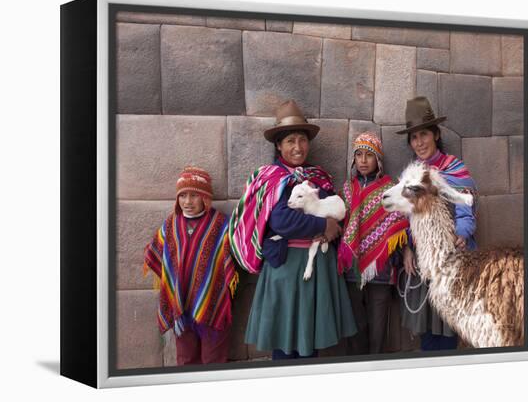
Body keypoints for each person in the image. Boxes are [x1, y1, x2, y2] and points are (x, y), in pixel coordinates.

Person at [229, 99, 357, 360]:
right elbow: (280, 221)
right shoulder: (271, 178)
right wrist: (323, 224)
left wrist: (334, 225)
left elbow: (336, 208)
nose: (297, 147)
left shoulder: (318, 177)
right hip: (286, 268)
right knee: (285, 342)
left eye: (302, 140)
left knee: (311, 340)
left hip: (317, 267)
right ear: (279, 145)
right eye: (290, 141)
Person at [396, 96, 477, 351]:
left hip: (451, 260)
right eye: (414, 138)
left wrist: (461, 233)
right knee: (428, 330)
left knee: (447, 330)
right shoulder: (412, 175)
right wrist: (408, 247)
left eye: (423, 135)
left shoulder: (454, 168)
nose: (419, 142)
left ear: (436, 134)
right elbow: (407, 218)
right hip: (424, 262)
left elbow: (466, 209)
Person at [143, 166, 239, 365]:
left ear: (205, 197)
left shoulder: (222, 225)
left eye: (194, 195)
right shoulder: (171, 225)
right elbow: (157, 255)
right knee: (185, 361)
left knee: (213, 360)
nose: (187, 202)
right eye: (182, 195)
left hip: (213, 305)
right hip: (181, 308)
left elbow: (233, 261)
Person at [337, 132, 410, 354]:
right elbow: (341, 222)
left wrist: (404, 252)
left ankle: (375, 367)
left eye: (369, 155)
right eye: (358, 155)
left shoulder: (391, 189)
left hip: (381, 269)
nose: (363, 160)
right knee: (355, 327)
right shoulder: (347, 189)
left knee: (378, 328)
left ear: (378, 159)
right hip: (351, 270)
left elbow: (400, 225)